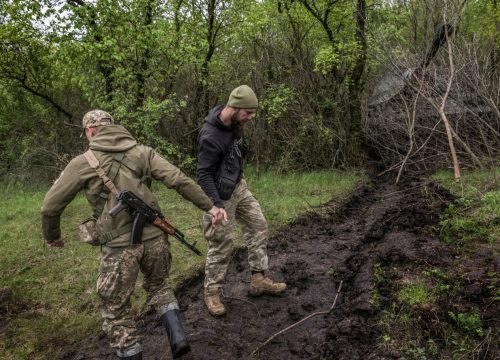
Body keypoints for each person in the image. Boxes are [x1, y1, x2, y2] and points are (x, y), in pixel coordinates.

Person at [41, 110, 224, 360]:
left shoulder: (83, 162)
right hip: (156, 238)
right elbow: (179, 180)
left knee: (116, 309)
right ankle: (178, 339)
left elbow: (50, 207)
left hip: (118, 247)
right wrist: (210, 206)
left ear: (91, 131)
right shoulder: (143, 152)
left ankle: (131, 353)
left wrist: (53, 236)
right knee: (160, 286)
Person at [196, 85, 287, 317]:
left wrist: (239, 175)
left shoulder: (236, 124)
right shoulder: (210, 136)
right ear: (234, 108)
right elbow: (203, 175)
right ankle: (212, 293)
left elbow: (236, 152)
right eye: (248, 112)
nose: (251, 117)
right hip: (217, 198)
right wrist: (216, 204)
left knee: (259, 226)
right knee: (221, 245)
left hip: (238, 188)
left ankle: (258, 279)